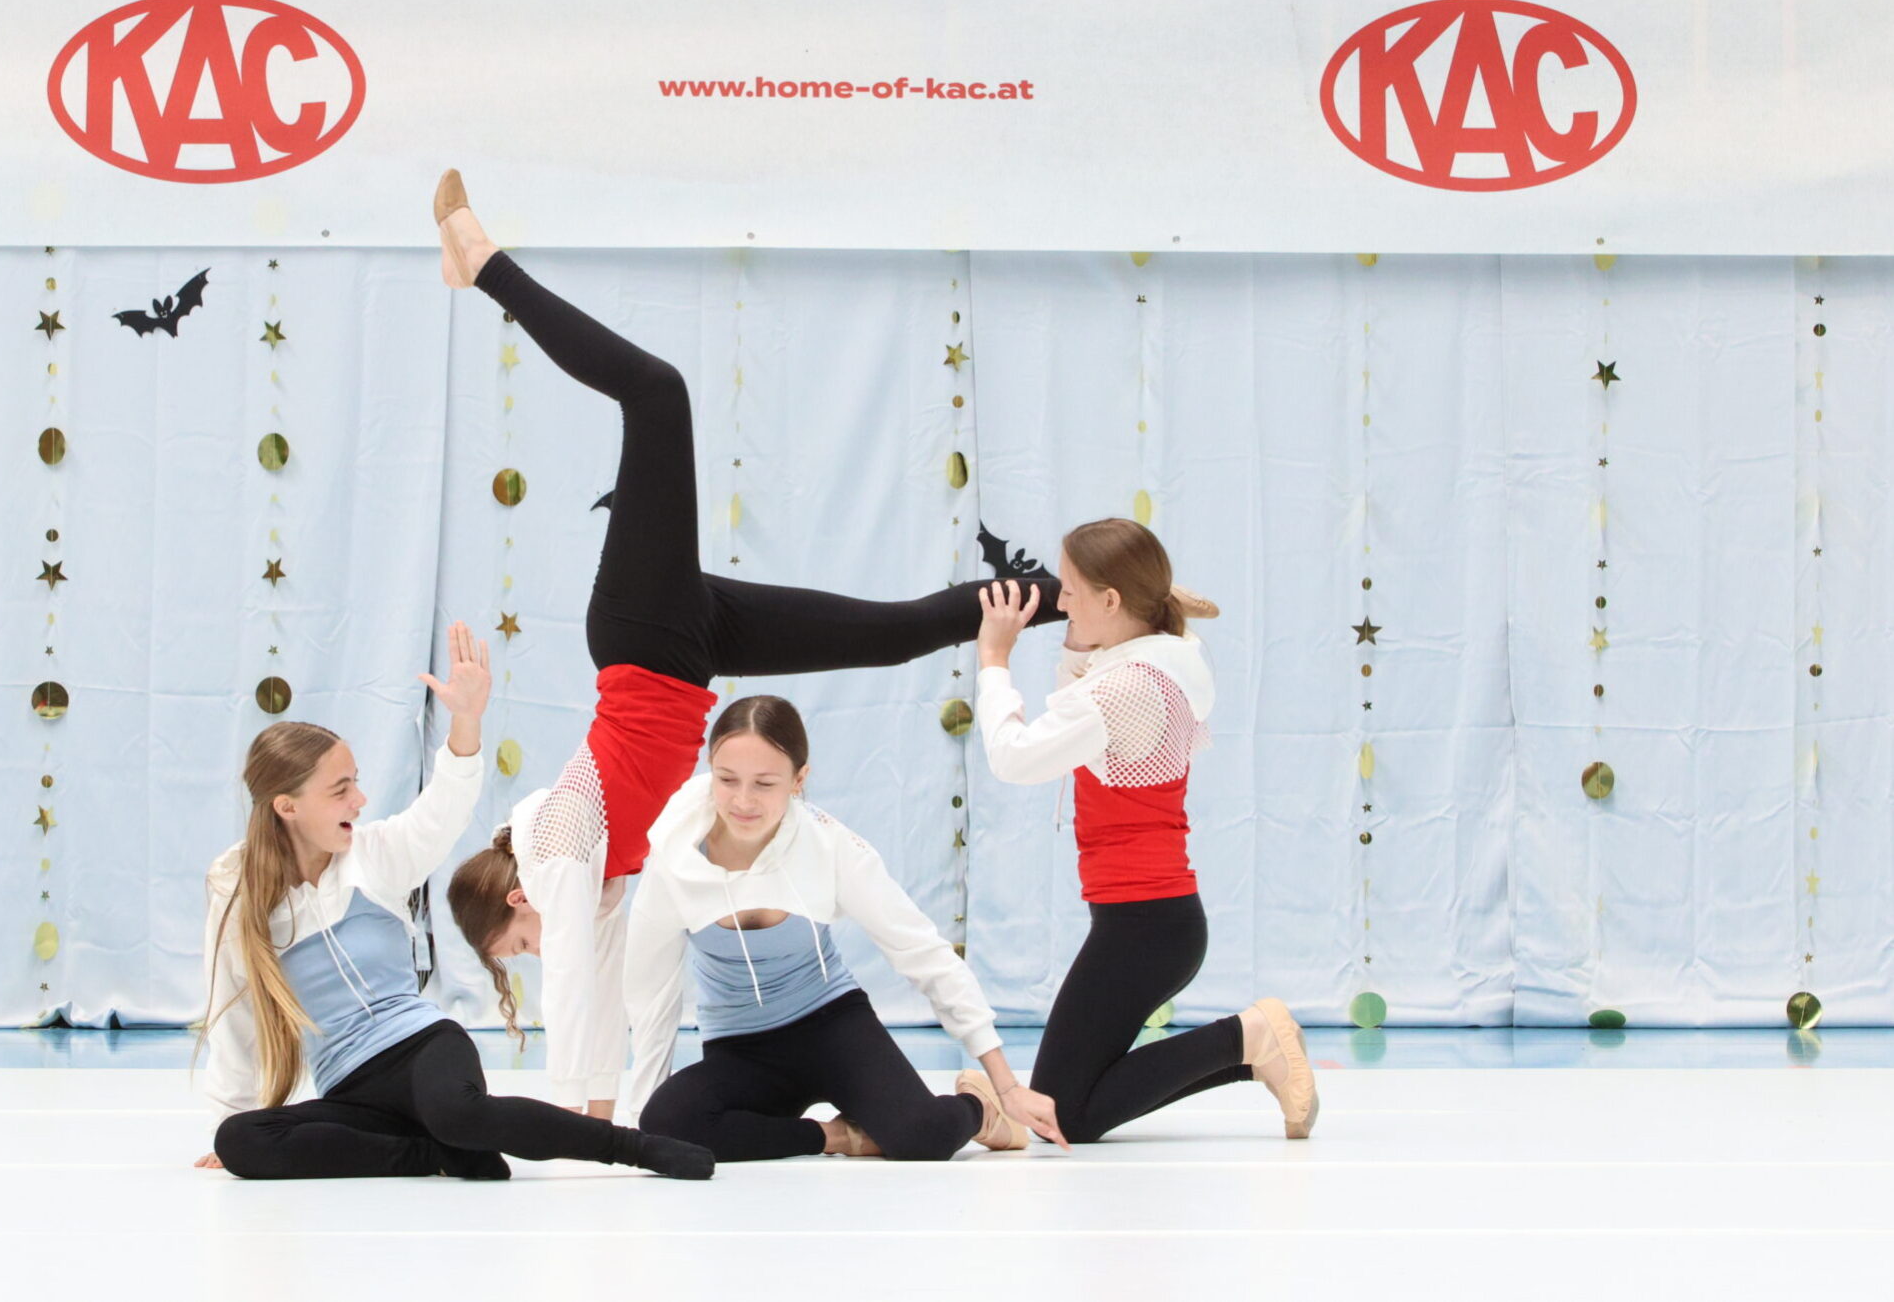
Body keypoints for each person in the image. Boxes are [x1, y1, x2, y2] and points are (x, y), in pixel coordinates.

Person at [434, 169, 1067, 1116]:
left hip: (646, 639)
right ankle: (1086, 603)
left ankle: (481, 263)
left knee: (657, 394)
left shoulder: (560, 847)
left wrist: (577, 1124)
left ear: (517, 903)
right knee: (896, 633)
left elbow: (569, 987)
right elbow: (624, 995)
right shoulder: (602, 881)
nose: (531, 954)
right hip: (691, 658)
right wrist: (614, 1119)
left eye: (514, 946)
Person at [193, 623, 713, 1181]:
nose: (360, 799)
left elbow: (443, 810)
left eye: (356, 782)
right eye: (340, 789)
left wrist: (466, 720)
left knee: (458, 1114)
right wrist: (232, 1113)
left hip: (422, 1050)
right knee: (241, 1140)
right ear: (287, 807)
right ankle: (437, 1154)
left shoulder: (375, 855)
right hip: (348, 1085)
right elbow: (233, 1010)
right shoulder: (235, 889)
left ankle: (634, 1148)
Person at [975, 519, 1318, 1141]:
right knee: (1073, 1100)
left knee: (1066, 1113)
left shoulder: (1123, 688)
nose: (1059, 602)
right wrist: (1088, 633)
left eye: (1070, 590)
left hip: (1143, 926)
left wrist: (994, 661)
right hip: (1153, 922)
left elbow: (1014, 758)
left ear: (1112, 601)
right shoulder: (1160, 659)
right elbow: (1079, 694)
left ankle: (1249, 1034)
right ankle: (1250, 1050)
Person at [622, 694, 1066, 1161]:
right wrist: (643, 1115)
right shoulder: (675, 852)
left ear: (799, 780)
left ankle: (980, 1107)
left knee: (923, 1138)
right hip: (740, 1048)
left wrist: (1006, 1084)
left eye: (765, 783)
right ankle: (841, 1137)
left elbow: (920, 950)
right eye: (727, 779)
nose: (743, 801)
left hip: (832, 1026)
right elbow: (651, 990)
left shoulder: (828, 845)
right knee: (667, 1122)